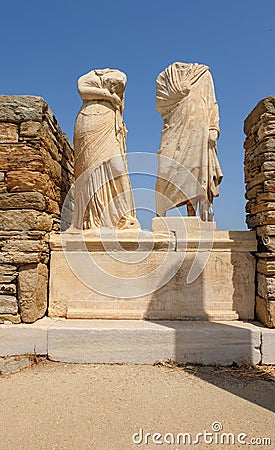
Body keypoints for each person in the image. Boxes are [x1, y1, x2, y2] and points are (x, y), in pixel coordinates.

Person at [71, 68, 140, 230]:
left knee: (118, 167)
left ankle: (123, 217)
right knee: (91, 169)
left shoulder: (120, 74)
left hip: (109, 121)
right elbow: (82, 90)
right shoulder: (89, 75)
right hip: (88, 120)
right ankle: (92, 221)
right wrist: (109, 96)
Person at [155, 62, 223, 221]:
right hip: (175, 126)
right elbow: (160, 104)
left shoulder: (203, 73)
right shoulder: (165, 77)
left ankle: (194, 216)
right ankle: (160, 215)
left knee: (196, 169)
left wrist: (214, 126)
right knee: (166, 168)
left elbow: (212, 102)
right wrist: (179, 90)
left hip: (199, 126)